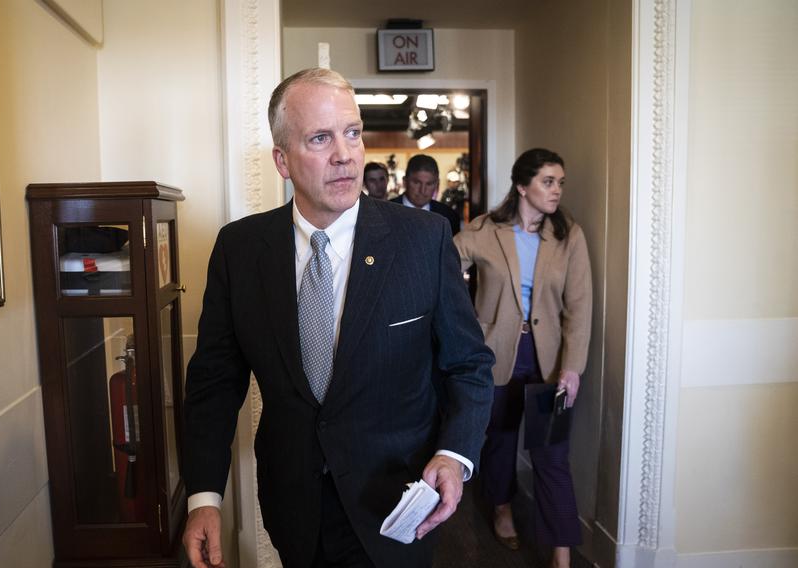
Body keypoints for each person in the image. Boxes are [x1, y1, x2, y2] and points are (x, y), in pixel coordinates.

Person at [181, 68, 494, 568]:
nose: (345, 153)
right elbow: (214, 383)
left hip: (399, 505)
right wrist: (203, 498)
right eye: (321, 138)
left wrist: (455, 455)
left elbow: (469, 366)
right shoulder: (240, 251)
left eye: (352, 132)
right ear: (283, 160)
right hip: (296, 508)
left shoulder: (423, 240)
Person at [453, 148, 592, 568]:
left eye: (560, 183)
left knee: (552, 455)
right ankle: (501, 507)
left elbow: (580, 305)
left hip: (550, 360)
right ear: (522, 186)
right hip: (495, 355)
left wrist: (572, 366)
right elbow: (442, 265)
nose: (557, 191)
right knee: (500, 439)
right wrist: (464, 326)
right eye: (548, 181)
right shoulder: (485, 231)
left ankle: (562, 553)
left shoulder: (570, 235)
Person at [390, 154, 461, 235]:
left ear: (437, 185)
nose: (422, 190)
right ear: (405, 181)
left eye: (429, 184)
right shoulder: (385, 213)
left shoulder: (448, 217)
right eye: (416, 183)